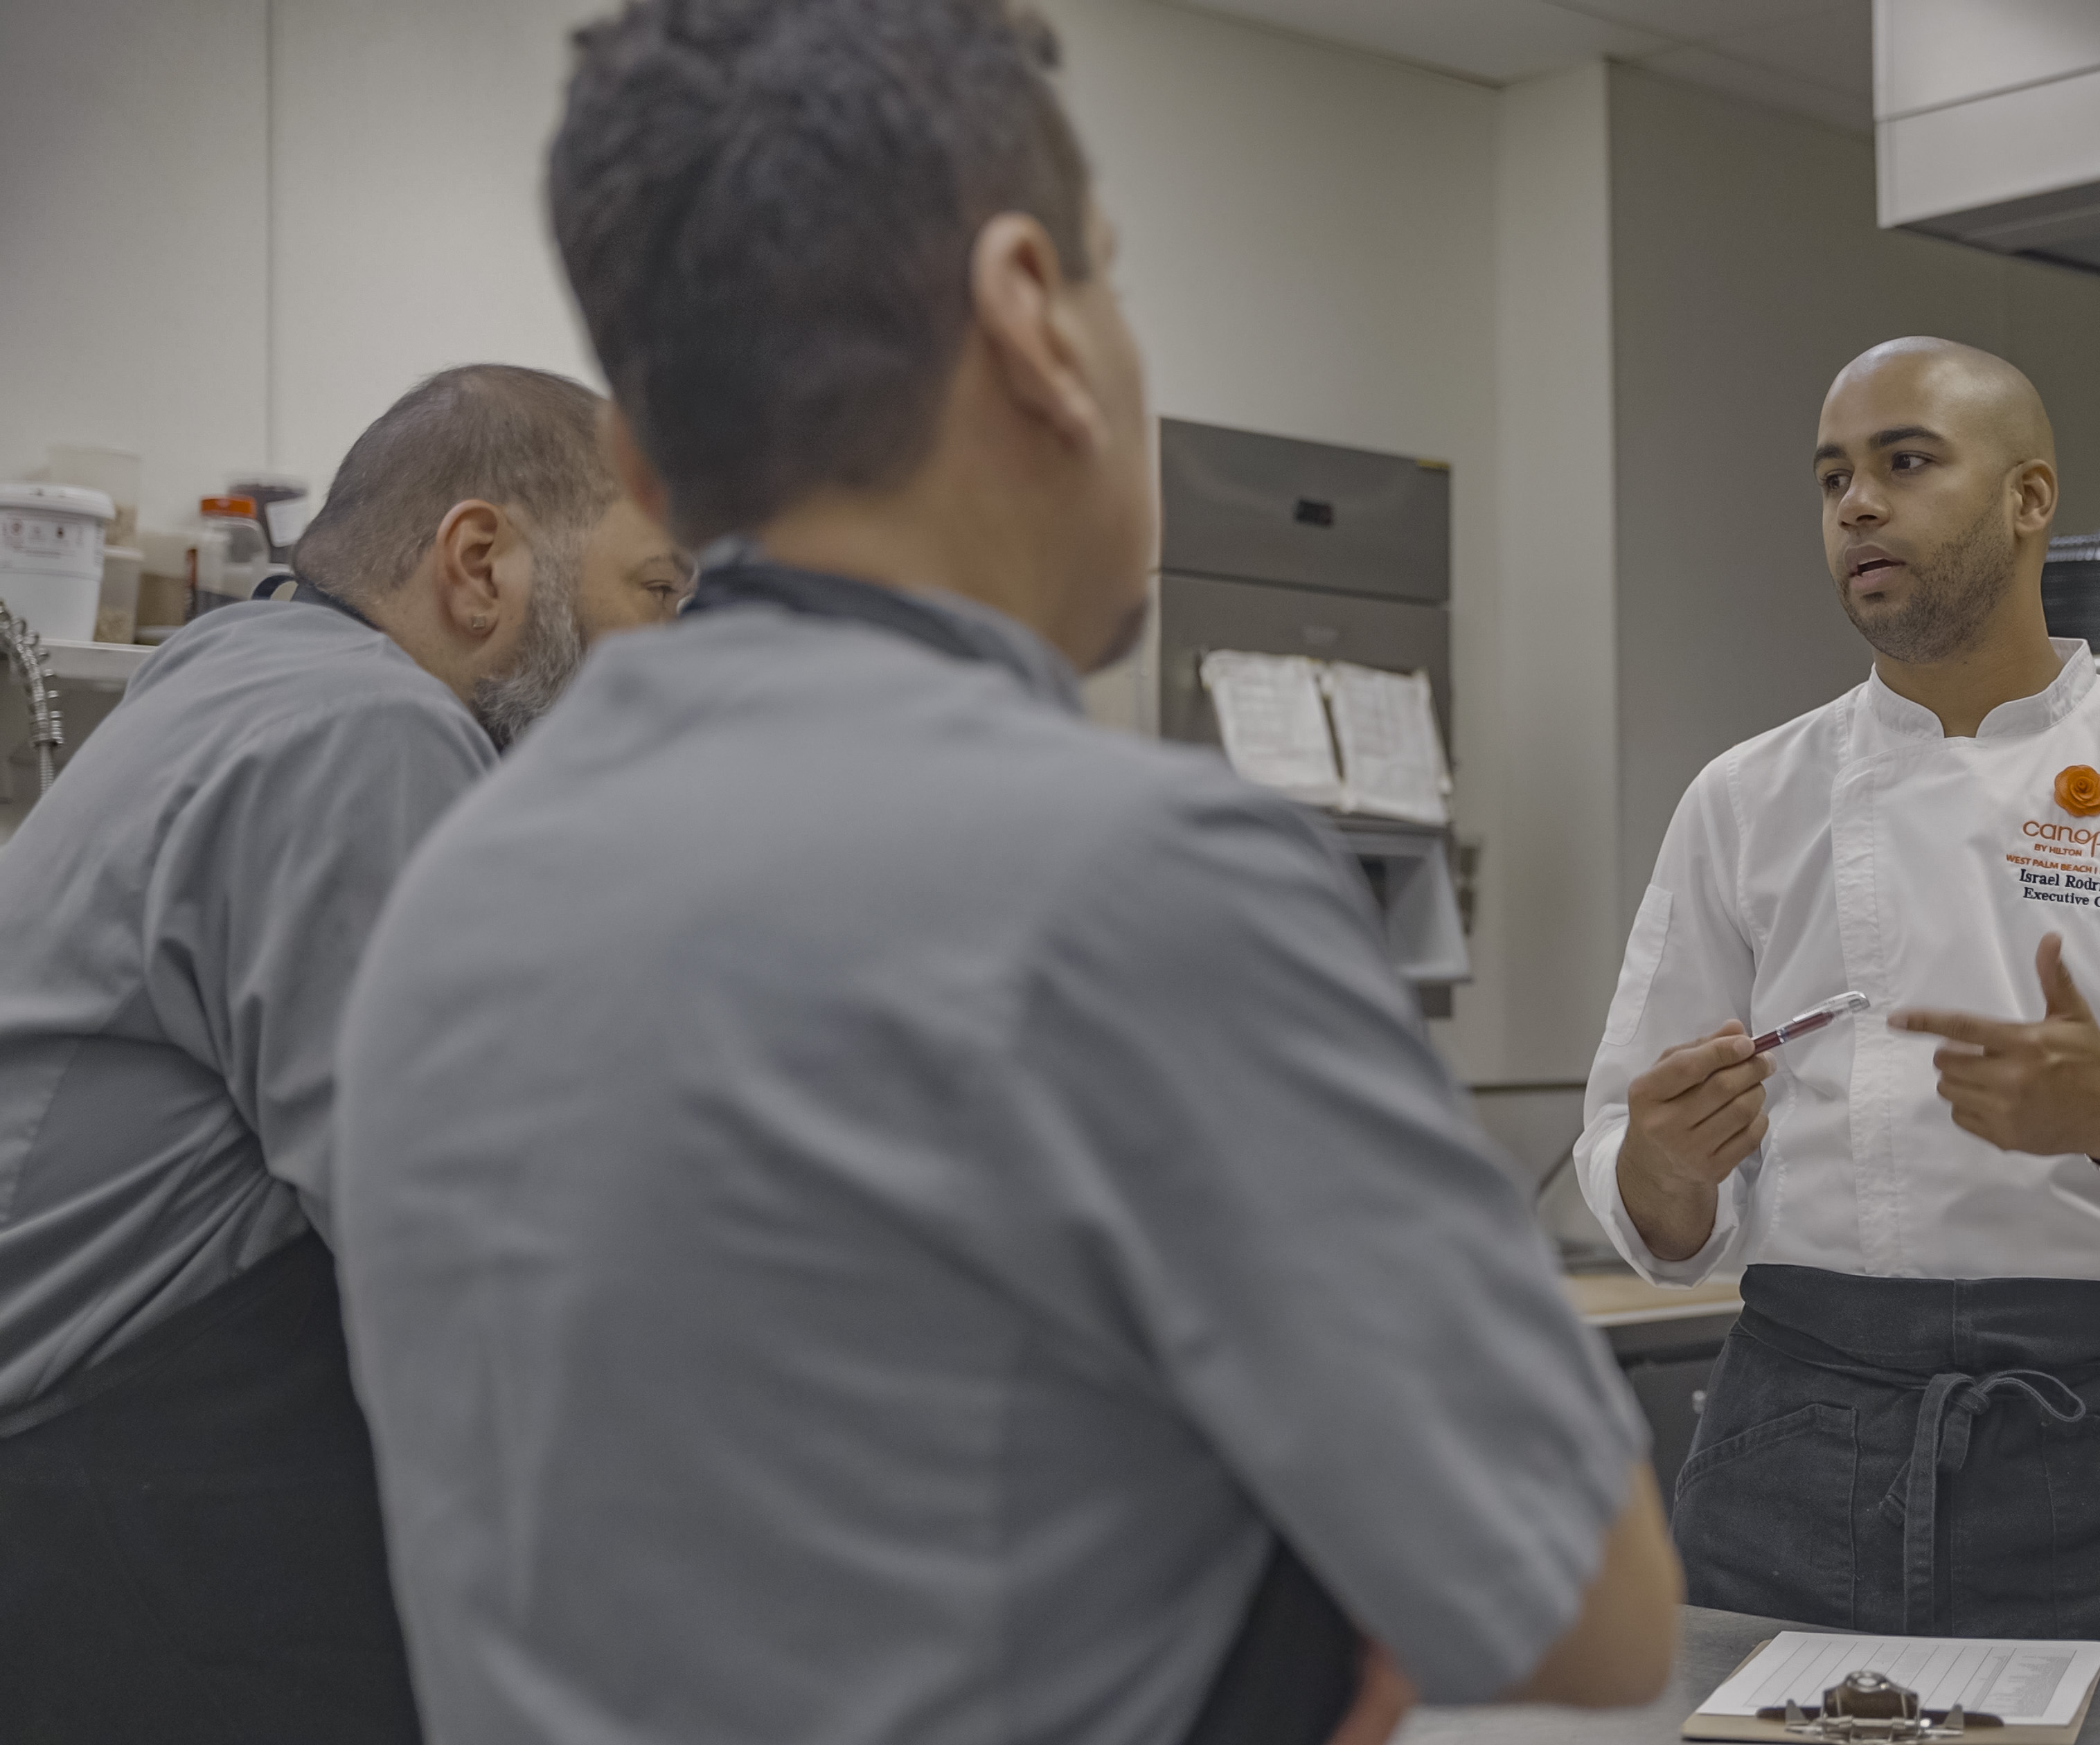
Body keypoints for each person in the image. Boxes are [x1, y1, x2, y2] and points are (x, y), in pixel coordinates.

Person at [328, 6, 1677, 1745]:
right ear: (1035, 313)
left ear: (650, 469)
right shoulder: (1147, 883)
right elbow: (1591, 1605)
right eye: (1113, 281)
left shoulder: (452, 894)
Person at [1576, 337, 2100, 1692]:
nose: (1855, 505)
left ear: (2028, 500)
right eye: (1832, 477)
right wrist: (1663, 1162)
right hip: (1796, 1448)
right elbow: (1643, 1190)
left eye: (1904, 463)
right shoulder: (1741, 800)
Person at [0, 362, 692, 1744]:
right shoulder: (364, 735)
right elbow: (472, 1254)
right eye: (660, 594)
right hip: (110, 1509)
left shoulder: (247, 668)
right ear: (480, 562)